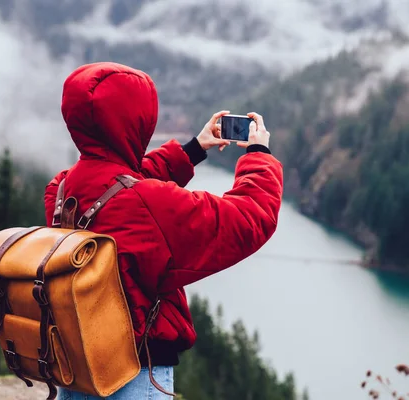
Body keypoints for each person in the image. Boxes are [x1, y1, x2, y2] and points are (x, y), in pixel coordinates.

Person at [43, 62, 284, 399]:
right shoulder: (146, 202)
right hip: (135, 375)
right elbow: (250, 217)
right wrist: (259, 154)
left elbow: (124, 182)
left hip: (77, 363)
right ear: (135, 122)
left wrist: (195, 149)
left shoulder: (62, 188)